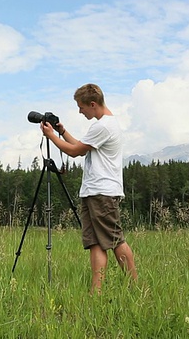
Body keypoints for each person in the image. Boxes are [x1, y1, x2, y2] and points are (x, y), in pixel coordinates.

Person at [40, 83, 137, 294]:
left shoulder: (103, 126)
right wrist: (62, 132)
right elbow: (81, 149)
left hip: (102, 192)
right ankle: (96, 291)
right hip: (94, 192)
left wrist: (51, 137)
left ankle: (135, 287)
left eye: (81, 107)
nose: (80, 111)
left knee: (115, 240)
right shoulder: (105, 125)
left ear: (93, 104)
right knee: (96, 243)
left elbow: (74, 152)